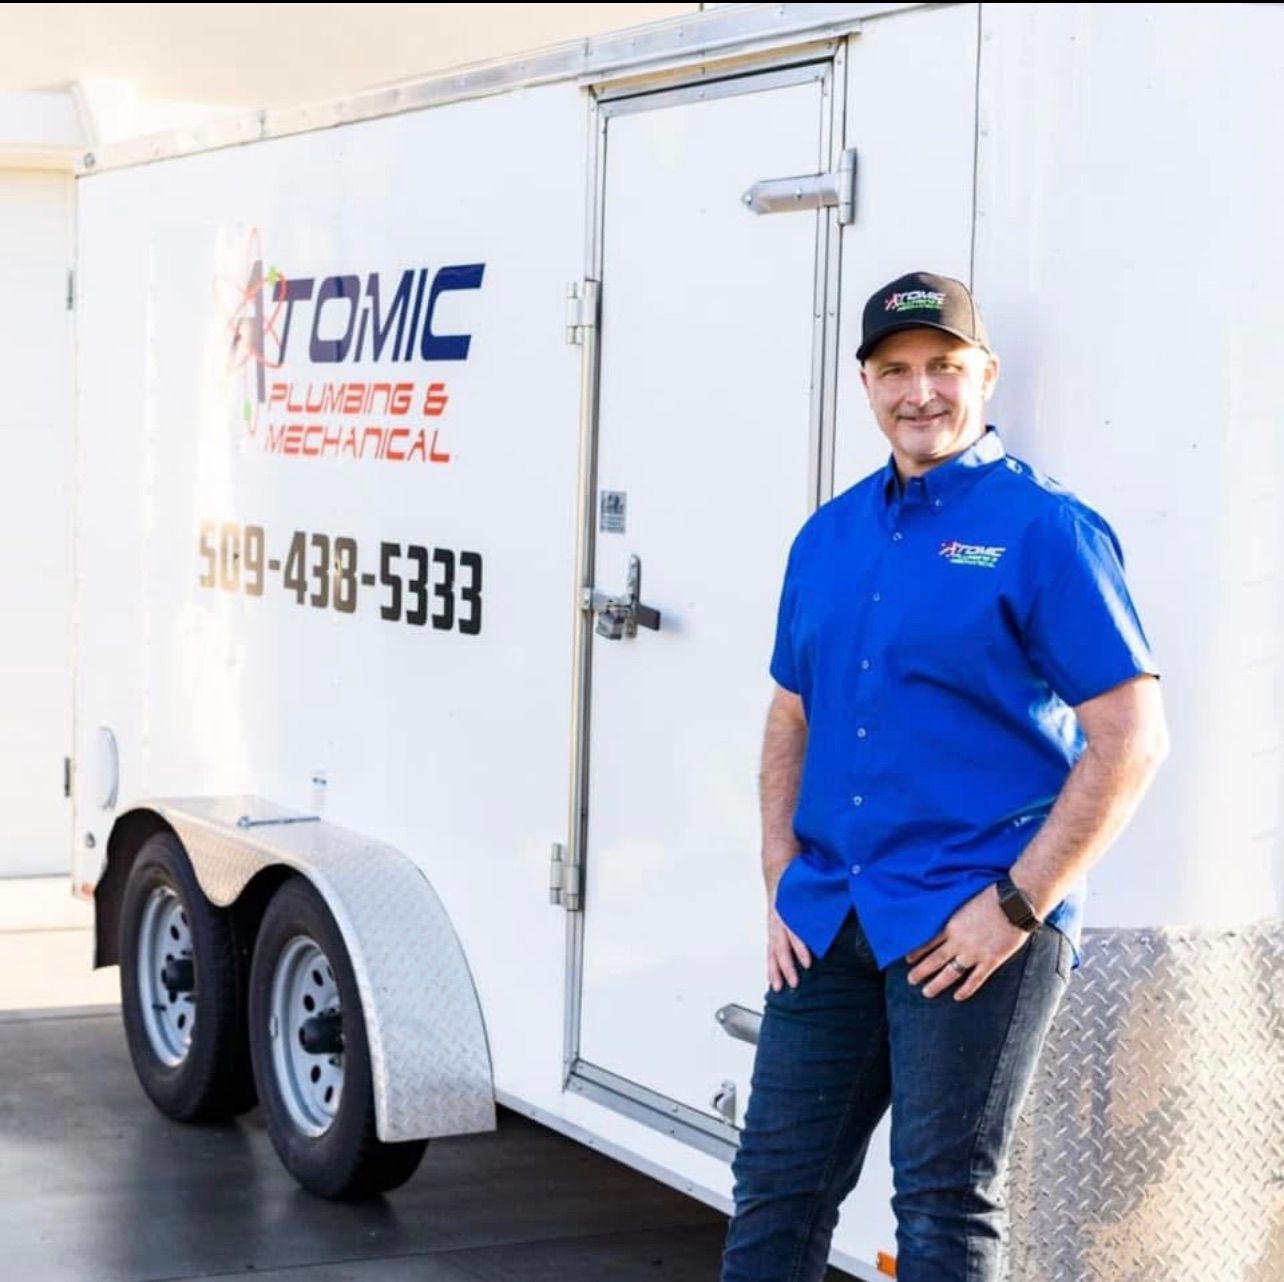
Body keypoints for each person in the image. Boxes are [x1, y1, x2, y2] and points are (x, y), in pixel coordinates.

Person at [720, 271, 1169, 1282]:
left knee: (942, 1202)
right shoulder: (827, 536)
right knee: (774, 1188)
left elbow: (1131, 735)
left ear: (986, 376)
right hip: (830, 914)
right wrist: (779, 869)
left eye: (945, 368)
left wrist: (1019, 904)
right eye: (895, 372)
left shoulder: (1047, 530)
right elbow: (791, 710)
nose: (920, 392)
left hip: (973, 924)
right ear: (867, 385)